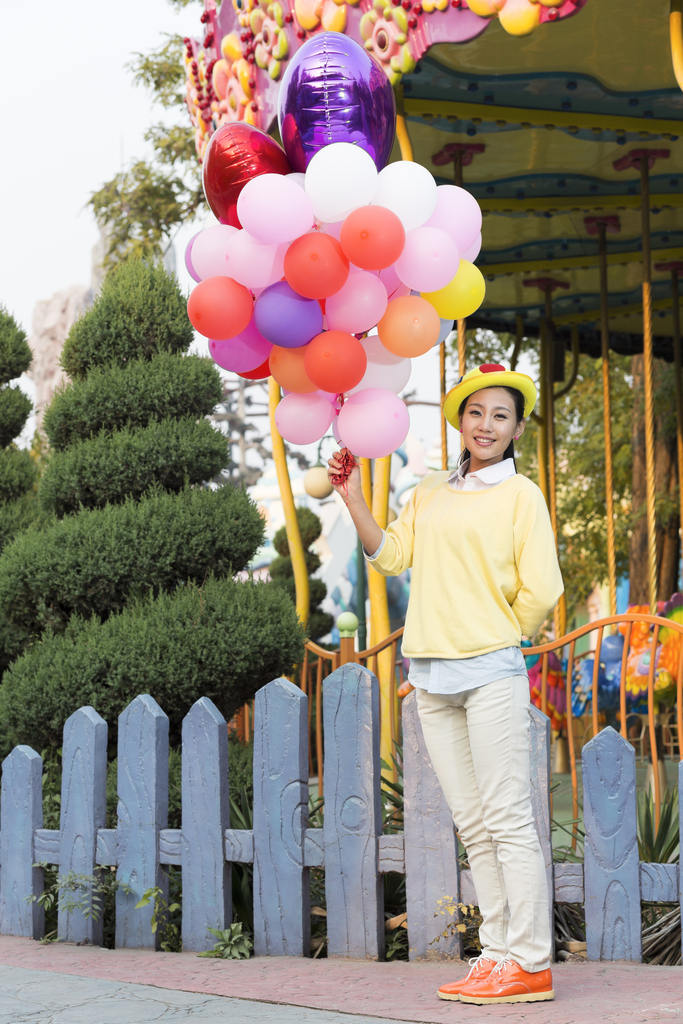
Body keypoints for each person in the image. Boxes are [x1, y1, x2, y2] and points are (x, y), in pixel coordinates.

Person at [327, 363, 563, 1006]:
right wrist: (352, 499)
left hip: (490, 672)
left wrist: (490, 633)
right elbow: (394, 554)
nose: (486, 425)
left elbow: (542, 589)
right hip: (430, 677)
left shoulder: (522, 496)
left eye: (501, 416)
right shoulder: (429, 490)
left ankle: (533, 961)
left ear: (516, 429)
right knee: (474, 825)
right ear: (461, 420)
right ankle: (498, 953)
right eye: (476, 412)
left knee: (509, 820)